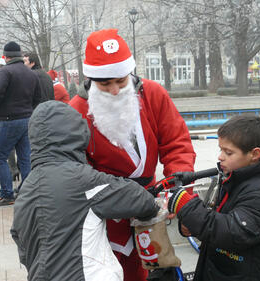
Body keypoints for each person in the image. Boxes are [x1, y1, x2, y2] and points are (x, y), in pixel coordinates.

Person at [69, 29, 196, 281]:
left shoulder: (153, 94)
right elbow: (75, 168)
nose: (115, 90)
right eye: (105, 84)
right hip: (106, 209)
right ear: (91, 80)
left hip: (151, 202)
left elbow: (177, 144)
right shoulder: (76, 111)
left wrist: (178, 191)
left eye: (121, 81)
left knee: (152, 266)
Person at [11, 101, 160, 281]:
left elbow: (20, 241)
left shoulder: (26, 188)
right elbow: (139, 199)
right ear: (76, 134)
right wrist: (153, 209)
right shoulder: (83, 180)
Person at [167, 115, 260, 281]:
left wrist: (185, 205)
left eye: (228, 152)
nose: (220, 156)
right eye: (220, 149)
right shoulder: (237, 177)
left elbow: (229, 233)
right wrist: (192, 225)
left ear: (254, 154)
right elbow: (223, 223)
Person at [0, 41, 41, 207]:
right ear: (19, 55)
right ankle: (29, 194)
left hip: (9, 121)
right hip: (27, 120)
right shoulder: (31, 73)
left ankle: (7, 194)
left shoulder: (6, 71)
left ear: (6, 56)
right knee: (25, 159)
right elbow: (37, 98)